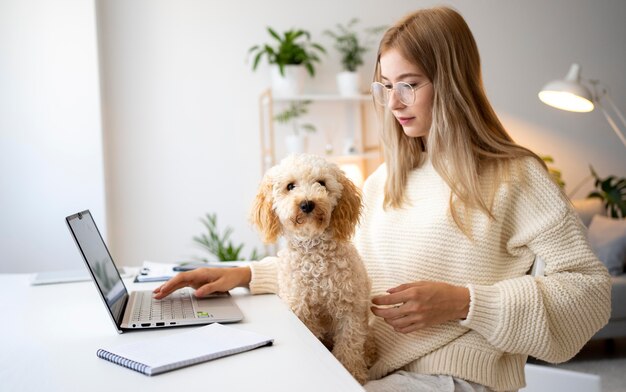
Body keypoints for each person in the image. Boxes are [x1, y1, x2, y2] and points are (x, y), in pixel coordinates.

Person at [153, 6, 611, 391]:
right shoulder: (389, 178)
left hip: (453, 378)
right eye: (386, 86)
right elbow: (339, 264)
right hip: (376, 371)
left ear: (451, 83)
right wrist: (245, 273)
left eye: (409, 84)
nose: (393, 103)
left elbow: (590, 294)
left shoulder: (515, 177)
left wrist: (465, 303)